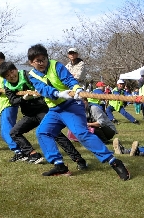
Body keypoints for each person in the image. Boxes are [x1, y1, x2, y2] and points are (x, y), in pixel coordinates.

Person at [27, 44, 129, 180]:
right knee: (42, 132)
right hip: (55, 109)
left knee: (81, 133)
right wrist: (57, 93)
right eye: (38, 61)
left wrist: (77, 88)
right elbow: (42, 89)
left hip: (71, 105)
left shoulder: (56, 65)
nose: (42, 63)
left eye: (44, 59)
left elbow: (69, 79)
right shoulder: (32, 75)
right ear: (31, 62)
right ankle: (59, 165)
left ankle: (114, 162)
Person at [0, 61, 88, 168]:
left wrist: (38, 93)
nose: (11, 76)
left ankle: (79, 160)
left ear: (15, 69)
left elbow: (45, 86)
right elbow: (13, 101)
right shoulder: (7, 86)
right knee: (14, 132)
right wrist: (23, 98)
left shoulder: (28, 76)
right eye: (7, 75)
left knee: (57, 134)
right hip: (29, 115)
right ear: (5, 78)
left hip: (43, 110)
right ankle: (33, 154)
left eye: (12, 72)